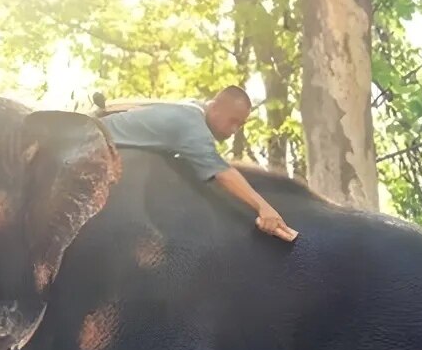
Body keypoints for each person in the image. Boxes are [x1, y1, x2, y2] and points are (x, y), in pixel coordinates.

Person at [93, 86, 299, 242]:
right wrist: (264, 208)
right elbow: (221, 172)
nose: (234, 129)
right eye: (233, 121)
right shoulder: (191, 124)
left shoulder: (190, 109)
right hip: (94, 147)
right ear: (215, 107)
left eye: (240, 124)